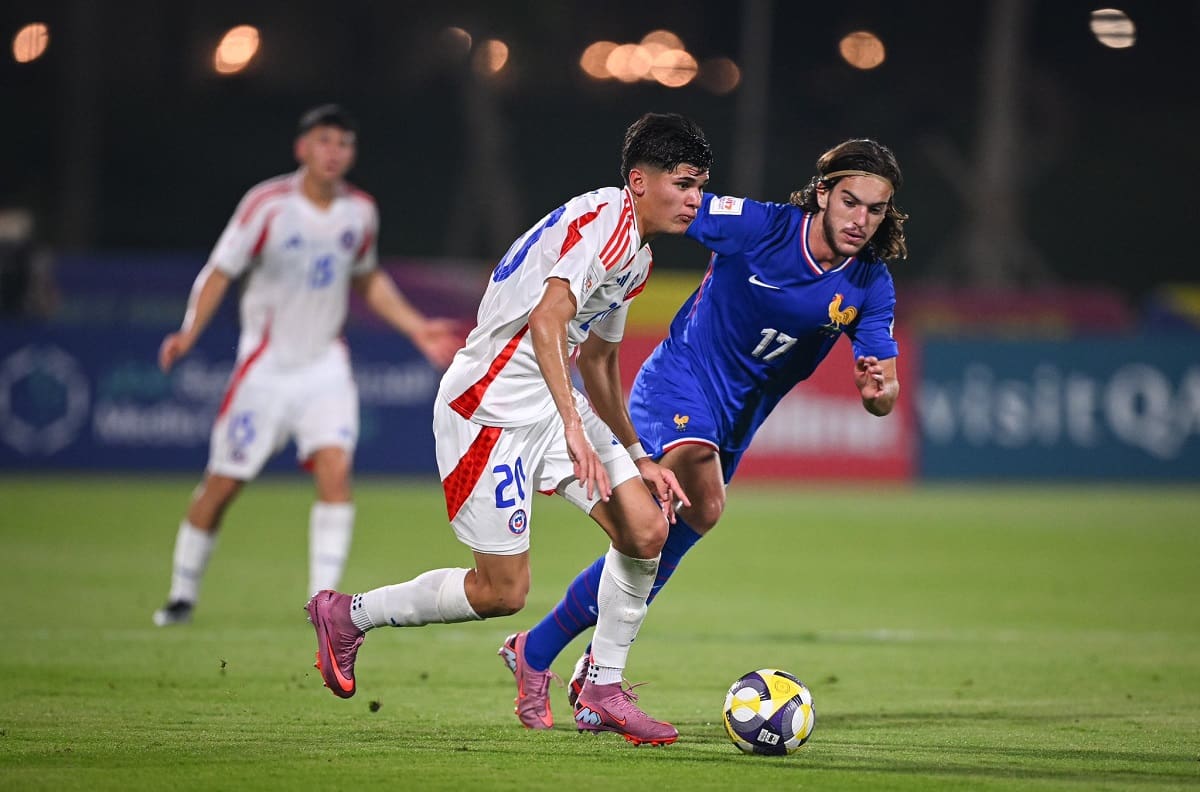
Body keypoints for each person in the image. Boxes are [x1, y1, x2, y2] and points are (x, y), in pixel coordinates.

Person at [305, 112, 713, 747]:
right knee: (502, 592)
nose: (695, 199)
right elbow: (550, 322)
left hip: (552, 405)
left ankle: (603, 687)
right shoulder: (607, 224)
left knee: (646, 527)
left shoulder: (637, 256)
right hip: (487, 413)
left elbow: (600, 361)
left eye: (700, 186)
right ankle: (348, 614)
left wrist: (636, 452)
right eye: (684, 183)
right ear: (639, 180)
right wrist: (578, 433)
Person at [500, 138, 907, 726]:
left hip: (738, 419)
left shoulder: (871, 284)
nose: (860, 220)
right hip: (678, 383)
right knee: (696, 490)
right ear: (823, 193)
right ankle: (596, 673)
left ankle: (540, 650)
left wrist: (879, 392)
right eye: (850, 202)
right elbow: (674, 208)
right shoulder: (762, 227)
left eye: (875, 210)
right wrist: (599, 248)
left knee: (666, 533)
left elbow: (882, 391)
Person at [152, 104, 461, 627]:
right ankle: (182, 594)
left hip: (324, 366)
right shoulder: (267, 205)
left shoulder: (360, 211)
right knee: (223, 485)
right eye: (324, 141)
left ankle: (324, 603)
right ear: (303, 148)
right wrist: (189, 331)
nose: (333, 152)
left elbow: (366, 277)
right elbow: (220, 271)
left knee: (335, 471)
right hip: (265, 369)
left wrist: (415, 327)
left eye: (343, 144)